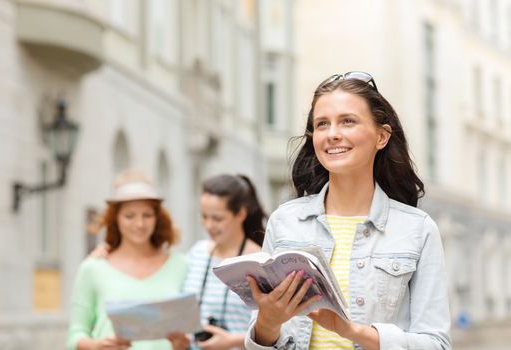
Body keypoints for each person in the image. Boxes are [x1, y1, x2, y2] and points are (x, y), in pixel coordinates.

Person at [244, 72, 452, 350]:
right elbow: (261, 341)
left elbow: (436, 344)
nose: (332, 134)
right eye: (322, 124)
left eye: (348, 121)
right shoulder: (285, 222)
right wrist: (266, 325)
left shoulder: (417, 229)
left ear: (381, 136)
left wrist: (354, 332)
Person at [67, 169, 189, 350]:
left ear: (157, 218)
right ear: (115, 219)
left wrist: (184, 346)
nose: (139, 224)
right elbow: (75, 334)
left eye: (147, 215)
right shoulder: (93, 268)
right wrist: (96, 346)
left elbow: (192, 330)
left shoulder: (181, 265)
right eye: (129, 216)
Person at [180, 174, 267, 350]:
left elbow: (277, 329)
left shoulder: (259, 262)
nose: (209, 225)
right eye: (204, 216)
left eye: (217, 219)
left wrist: (232, 341)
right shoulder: (197, 253)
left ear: (241, 213)